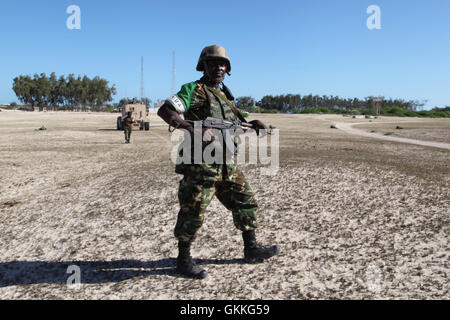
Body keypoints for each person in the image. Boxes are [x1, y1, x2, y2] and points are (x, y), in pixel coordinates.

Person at [157, 45, 279, 279]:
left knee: (246, 200)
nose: (219, 67)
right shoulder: (194, 90)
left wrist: (253, 123)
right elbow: (166, 110)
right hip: (201, 164)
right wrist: (190, 126)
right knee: (193, 210)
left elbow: (235, 123)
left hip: (226, 162)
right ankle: (183, 261)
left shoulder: (225, 95)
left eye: (223, 64)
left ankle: (251, 248)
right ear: (203, 65)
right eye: (213, 63)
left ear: (228, 69)